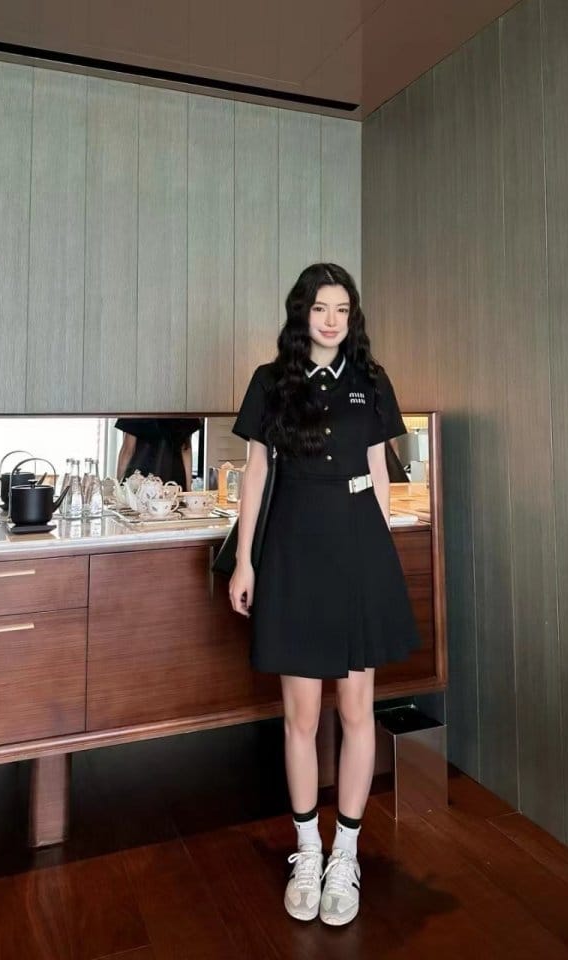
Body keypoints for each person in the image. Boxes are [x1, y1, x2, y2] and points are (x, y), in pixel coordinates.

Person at [229, 263, 420, 926]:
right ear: (301, 313)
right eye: (320, 308)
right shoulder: (270, 380)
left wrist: (381, 555)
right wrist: (245, 562)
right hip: (292, 548)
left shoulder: (371, 379)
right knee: (302, 716)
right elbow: (255, 474)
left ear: (352, 316)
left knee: (359, 710)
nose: (331, 320)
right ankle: (308, 850)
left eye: (342, 309)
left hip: (358, 545)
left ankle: (346, 853)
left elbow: (379, 474)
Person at [115, 417, 202, 491]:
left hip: (141, 477)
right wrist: (188, 488)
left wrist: (117, 485)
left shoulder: (138, 406)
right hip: (173, 479)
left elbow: (128, 450)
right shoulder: (183, 408)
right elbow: (186, 449)